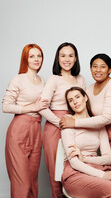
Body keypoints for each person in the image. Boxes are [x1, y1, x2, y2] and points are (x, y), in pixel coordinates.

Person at [60, 53, 111, 171]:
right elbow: (84, 108)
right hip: (104, 131)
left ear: (109, 70)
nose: (98, 70)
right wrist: (68, 118)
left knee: (109, 169)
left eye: (102, 66)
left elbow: (107, 118)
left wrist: (74, 122)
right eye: (95, 66)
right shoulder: (89, 89)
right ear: (90, 68)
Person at [61, 86, 111, 198]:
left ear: (85, 97)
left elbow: (108, 158)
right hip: (75, 174)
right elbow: (74, 162)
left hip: (96, 168)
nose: (75, 102)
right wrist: (103, 175)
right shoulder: (67, 123)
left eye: (77, 97)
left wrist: (85, 158)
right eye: (71, 100)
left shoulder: (97, 124)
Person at [39, 42, 85, 198]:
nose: (67, 59)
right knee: (56, 171)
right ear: (58, 59)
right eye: (63, 55)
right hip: (55, 128)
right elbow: (41, 106)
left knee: (76, 168)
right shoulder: (54, 79)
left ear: (76, 58)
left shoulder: (81, 79)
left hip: (76, 126)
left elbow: (85, 104)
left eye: (71, 55)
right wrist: (59, 122)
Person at [2, 44, 48, 198]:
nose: (36, 59)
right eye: (32, 56)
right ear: (25, 59)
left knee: (32, 179)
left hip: (36, 130)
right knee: (22, 181)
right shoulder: (19, 79)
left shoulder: (42, 81)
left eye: (39, 56)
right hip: (19, 129)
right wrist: (32, 106)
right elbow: (6, 106)